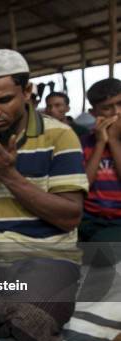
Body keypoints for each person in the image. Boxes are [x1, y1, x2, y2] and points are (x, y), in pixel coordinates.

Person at [0, 49, 89, 341]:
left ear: (27, 92)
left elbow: (69, 216)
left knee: (34, 318)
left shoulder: (60, 136)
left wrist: (7, 175)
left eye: (3, 100)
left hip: (48, 259)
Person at [78, 78, 121, 264]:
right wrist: (101, 143)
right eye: (107, 108)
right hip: (88, 219)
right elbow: (81, 186)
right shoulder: (83, 142)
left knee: (100, 250)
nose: (117, 113)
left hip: (118, 221)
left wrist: (114, 141)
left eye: (120, 104)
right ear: (94, 113)